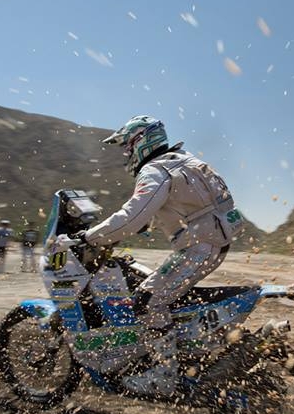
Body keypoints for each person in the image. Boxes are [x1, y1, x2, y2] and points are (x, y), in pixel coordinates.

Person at [64, 115, 245, 397]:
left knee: (147, 300)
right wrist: (140, 226)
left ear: (140, 142)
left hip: (199, 247)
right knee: (162, 292)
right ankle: (181, 352)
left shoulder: (155, 170)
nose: (126, 154)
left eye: (127, 146)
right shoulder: (184, 159)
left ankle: (164, 375)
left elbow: (131, 215)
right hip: (213, 240)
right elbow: (182, 204)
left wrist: (90, 237)